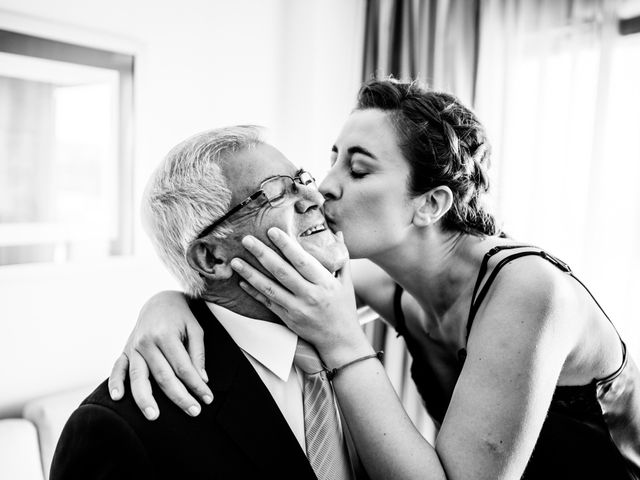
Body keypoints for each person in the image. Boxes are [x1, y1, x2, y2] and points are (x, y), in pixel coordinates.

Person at [109, 80, 640, 480]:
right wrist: (167, 302)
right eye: (331, 161)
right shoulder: (388, 283)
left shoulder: (529, 290)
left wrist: (345, 343)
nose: (322, 189)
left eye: (358, 171)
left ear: (431, 204)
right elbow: (255, 281)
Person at [50, 126, 367, 480]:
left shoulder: (349, 327)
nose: (315, 197)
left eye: (303, 180)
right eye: (276, 192)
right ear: (212, 258)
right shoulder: (119, 427)